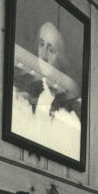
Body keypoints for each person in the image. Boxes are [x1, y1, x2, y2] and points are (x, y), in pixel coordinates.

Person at [11, 21, 82, 162]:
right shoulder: (21, 96)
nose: (43, 55)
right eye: (41, 44)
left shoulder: (69, 116)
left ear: (60, 58)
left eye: (51, 50)